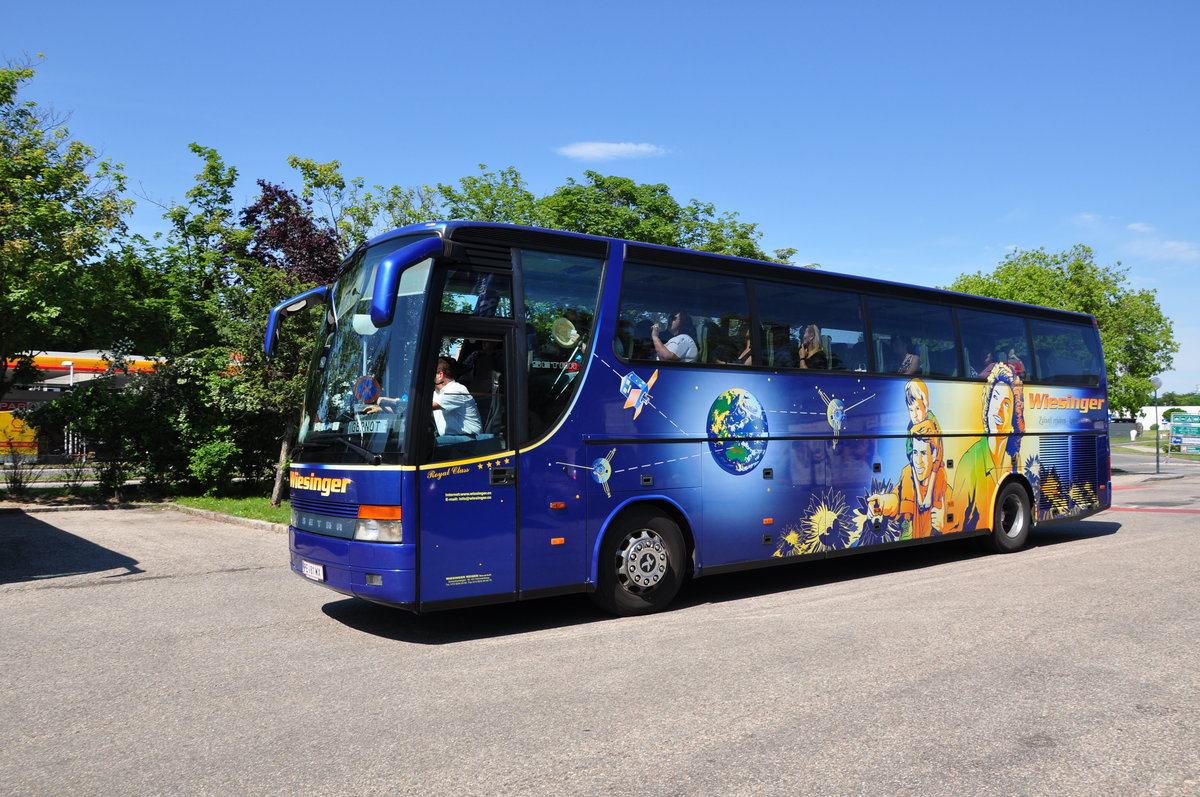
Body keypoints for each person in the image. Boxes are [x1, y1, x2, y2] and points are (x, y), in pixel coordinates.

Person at [870, 416, 949, 538]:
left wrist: (943, 526)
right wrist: (883, 503)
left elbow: (961, 518)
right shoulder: (907, 476)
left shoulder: (943, 486)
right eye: (915, 453)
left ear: (933, 455)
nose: (918, 461)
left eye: (923, 453)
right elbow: (896, 499)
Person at [431, 356, 482, 444]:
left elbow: (428, 405)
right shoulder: (437, 392)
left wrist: (405, 404)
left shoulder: (456, 390)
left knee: (428, 444)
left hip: (468, 440)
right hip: (452, 438)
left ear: (440, 375)